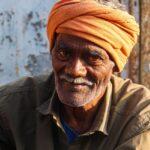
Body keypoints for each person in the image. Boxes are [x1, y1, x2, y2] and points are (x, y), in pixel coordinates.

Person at [0, 0, 149, 149]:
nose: (74, 70)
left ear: (116, 65)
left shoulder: (141, 117)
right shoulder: (10, 105)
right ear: (52, 52)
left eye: (93, 58)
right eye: (64, 53)